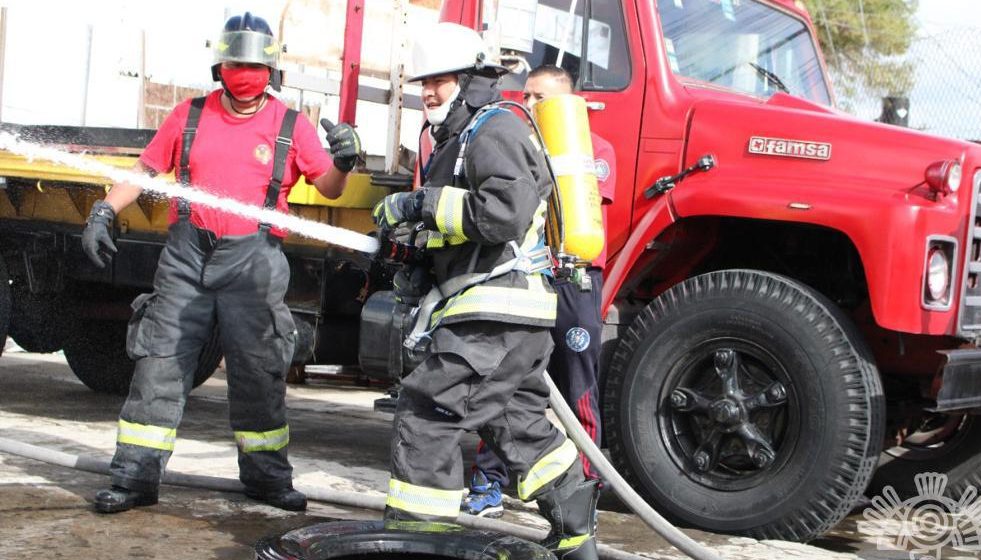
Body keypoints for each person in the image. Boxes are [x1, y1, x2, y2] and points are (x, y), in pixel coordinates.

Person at [84, 12, 360, 514]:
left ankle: (268, 480)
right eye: (236, 62)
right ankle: (134, 479)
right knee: (159, 366)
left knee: (258, 372)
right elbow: (144, 171)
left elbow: (329, 188)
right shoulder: (188, 116)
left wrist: (342, 161)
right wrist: (104, 211)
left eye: (254, 64)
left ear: (271, 70)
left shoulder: (291, 125)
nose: (245, 71)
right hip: (186, 258)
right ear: (220, 66)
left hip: (254, 264)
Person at [373, 23, 599, 560]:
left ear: (472, 78)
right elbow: (466, 228)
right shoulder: (461, 135)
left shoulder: (493, 128)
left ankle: (416, 545)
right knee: (517, 426)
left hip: (492, 316)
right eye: (423, 82)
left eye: (441, 80)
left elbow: (503, 214)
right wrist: (413, 250)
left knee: (427, 417)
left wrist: (420, 204)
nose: (428, 91)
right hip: (510, 319)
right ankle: (577, 538)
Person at [462, 64, 615, 519]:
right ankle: (488, 482)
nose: (528, 105)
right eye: (525, 96)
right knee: (506, 379)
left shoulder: (592, 148)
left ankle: (585, 487)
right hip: (525, 273)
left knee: (577, 383)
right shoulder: (511, 145)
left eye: (540, 98)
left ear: (567, 103)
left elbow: (578, 210)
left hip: (574, 279)